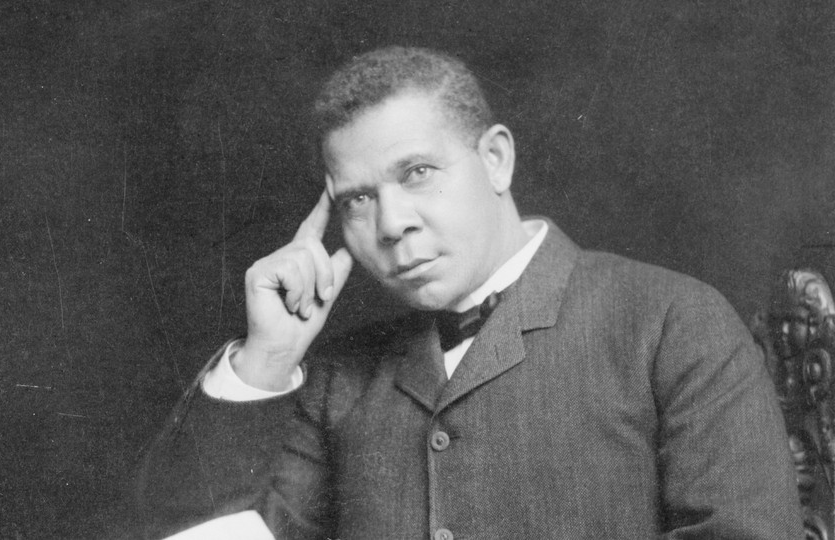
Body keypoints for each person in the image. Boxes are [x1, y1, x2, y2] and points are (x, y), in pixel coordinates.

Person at [138, 46, 801, 539]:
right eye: (359, 199)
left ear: (496, 160)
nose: (391, 224)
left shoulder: (672, 321)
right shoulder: (333, 379)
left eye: (418, 173)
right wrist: (265, 362)